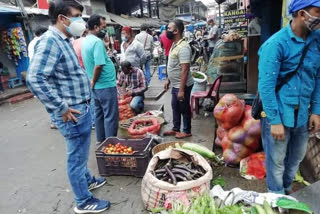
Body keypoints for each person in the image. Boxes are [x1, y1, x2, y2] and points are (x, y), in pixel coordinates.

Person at [26, 1, 110, 213]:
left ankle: (87, 180)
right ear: (62, 18)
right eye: (76, 16)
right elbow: (35, 79)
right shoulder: (50, 41)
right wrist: (61, 107)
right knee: (76, 158)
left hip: (80, 109)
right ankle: (83, 201)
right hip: (72, 113)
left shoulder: (64, 40)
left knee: (80, 152)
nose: (80, 21)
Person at [258, 0, 320, 195]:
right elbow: (266, 87)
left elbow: (317, 77)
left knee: (296, 158)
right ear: (302, 14)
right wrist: (274, 120)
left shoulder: (316, 41)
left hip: (302, 115)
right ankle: (276, 198)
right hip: (278, 115)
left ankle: (285, 190)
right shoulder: (275, 44)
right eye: (318, 11)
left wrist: (316, 111)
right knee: (276, 161)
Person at [81, 14, 118, 146]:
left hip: (97, 86)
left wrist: (93, 81)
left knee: (99, 114)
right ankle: (110, 144)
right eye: (103, 27)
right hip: (105, 85)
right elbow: (99, 64)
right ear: (96, 27)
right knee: (110, 116)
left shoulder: (86, 40)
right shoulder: (96, 42)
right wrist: (94, 80)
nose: (105, 29)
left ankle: (100, 141)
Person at [163, 19, 194, 139]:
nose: (167, 31)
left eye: (169, 29)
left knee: (184, 108)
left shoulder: (184, 47)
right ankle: (176, 128)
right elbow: (172, 65)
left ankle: (186, 130)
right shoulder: (174, 44)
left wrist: (181, 90)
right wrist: (168, 80)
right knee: (175, 106)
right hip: (175, 84)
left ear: (176, 31)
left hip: (183, 85)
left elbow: (185, 70)